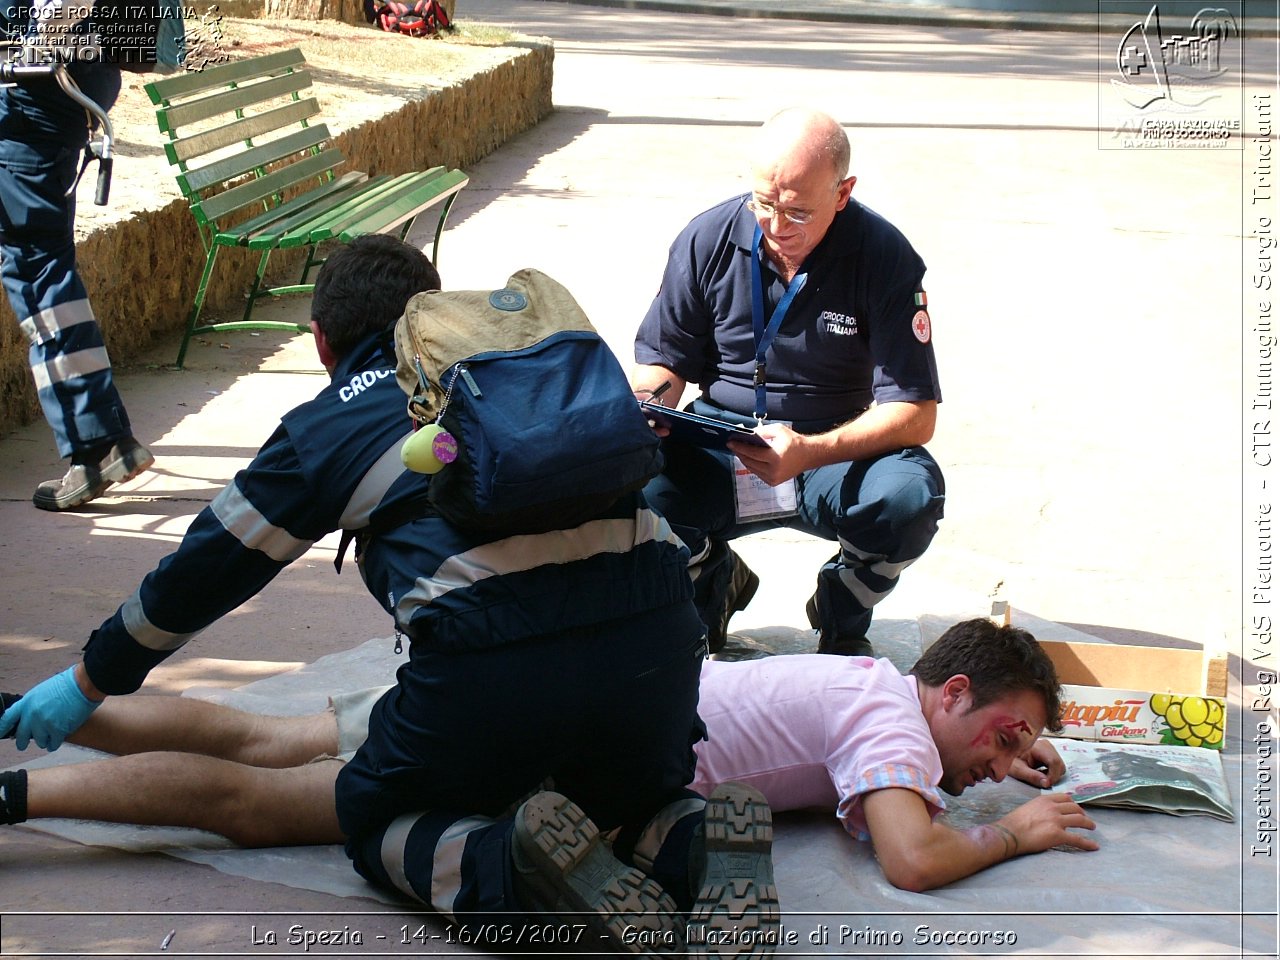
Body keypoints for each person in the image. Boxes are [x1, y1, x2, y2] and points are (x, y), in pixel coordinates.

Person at [0, 233, 778, 953]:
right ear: (428, 317)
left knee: (373, 818)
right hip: (656, 645)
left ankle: (503, 868)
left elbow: (199, 575)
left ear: (320, 340)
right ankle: (687, 835)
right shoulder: (532, 374)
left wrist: (90, 678)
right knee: (619, 793)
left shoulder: (323, 430)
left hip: (493, 663)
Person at [1, 619, 1099, 894]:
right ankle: (14, 790)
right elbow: (910, 859)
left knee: (262, 738)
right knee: (259, 806)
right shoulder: (893, 726)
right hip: (548, 743)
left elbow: (907, 809)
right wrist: (1009, 831)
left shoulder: (867, 688)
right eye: (1005, 731)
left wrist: (998, 768)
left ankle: (22, 716)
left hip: (531, 691)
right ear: (948, 690)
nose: (1006, 760)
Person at [631, 107, 945, 656]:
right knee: (626, 481)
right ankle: (711, 584)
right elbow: (667, 359)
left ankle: (841, 605)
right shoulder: (707, 239)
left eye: (799, 213)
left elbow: (916, 412)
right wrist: (647, 405)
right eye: (764, 204)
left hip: (831, 447)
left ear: (842, 193)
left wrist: (810, 451)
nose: (776, 228)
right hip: (722, 438)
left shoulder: (885, 257)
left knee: (908, 497)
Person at [0, 4, 154, 510]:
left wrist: (38, 42)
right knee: (44, 270)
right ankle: (108, 440)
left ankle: (98, 444)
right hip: (61, 87)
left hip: (37, 91)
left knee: (39, 275)